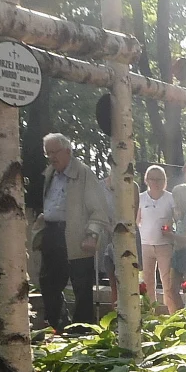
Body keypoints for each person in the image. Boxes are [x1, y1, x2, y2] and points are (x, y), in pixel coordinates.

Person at [33, 133, 106, 329]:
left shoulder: (83, 173)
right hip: (52, 233)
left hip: (76, 236)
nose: (51, 157)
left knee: (81, 286)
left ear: (68, 151)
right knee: (48, 283)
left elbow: (98, 208)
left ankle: (82, 330)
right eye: (47, 153)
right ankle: (58, 325)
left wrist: (92, 234)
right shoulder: (49, 174)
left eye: (54, 152)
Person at [136, 165, 178, 313]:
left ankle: (173, 314)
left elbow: (177, 218)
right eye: (152, 178)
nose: (156, 182)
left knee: (167, 281)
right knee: (147, 282)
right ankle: (149, 315)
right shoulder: (141, 198)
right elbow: (136, 221)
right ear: (146, 180)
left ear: (164, 180)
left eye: (159, 179)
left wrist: (170, 227)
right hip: (145, 244)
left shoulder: (170, 197)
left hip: (164, 245)